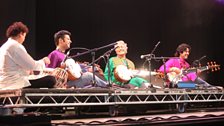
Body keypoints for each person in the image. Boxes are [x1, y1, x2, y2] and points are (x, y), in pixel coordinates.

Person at [0, 22, 56, 90]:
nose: (24, 39)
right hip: (15, 82)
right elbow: (31, 66)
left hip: (3, 83)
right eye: (24, 36)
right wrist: (43, 61)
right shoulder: (15, 46)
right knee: (51, 80)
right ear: (21, 34)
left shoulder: (3, 47)